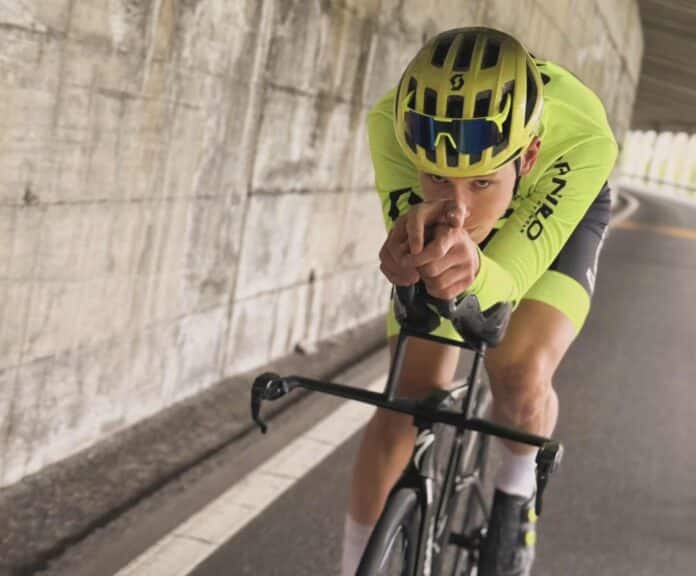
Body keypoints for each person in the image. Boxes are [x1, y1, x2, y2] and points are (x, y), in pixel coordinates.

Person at [340, 27, 617, 575]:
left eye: (479, 185)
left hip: (553, 205)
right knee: (406, 397)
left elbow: (505, 282)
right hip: (500, 183)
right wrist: (405, 257)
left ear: (528, 152)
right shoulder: (392, 126)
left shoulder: (582, 140)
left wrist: (472, 271)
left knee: (519, 369)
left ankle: (515, 500)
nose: (459, 208)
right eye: (437, 178)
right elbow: (416, 250)